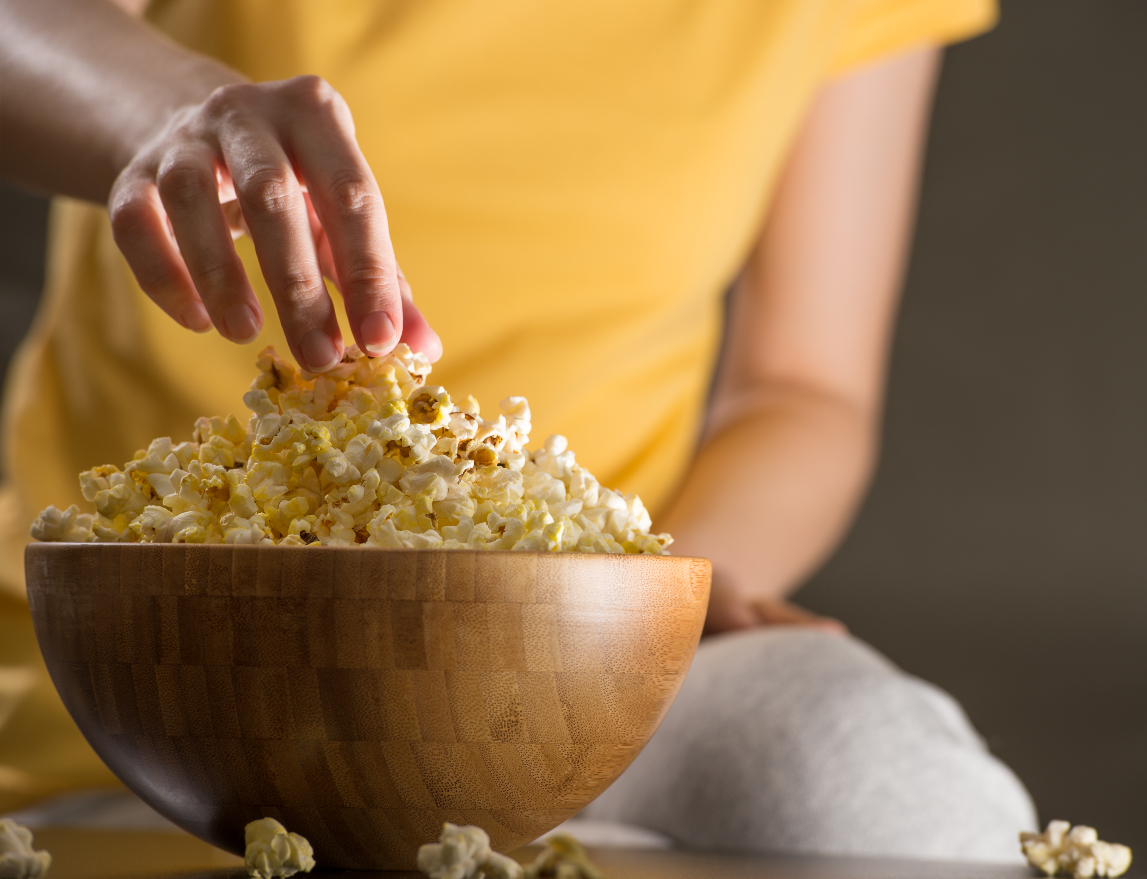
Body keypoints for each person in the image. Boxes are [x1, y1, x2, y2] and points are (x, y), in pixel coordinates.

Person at [0, 0, 1035, 859]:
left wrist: (643, 591)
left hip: (596, 670)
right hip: (158, 676)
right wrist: (168, 114)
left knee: (883, 784)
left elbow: (803, 391)